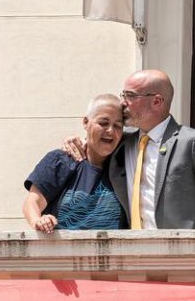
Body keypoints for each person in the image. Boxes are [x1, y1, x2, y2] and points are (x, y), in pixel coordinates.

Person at [64, 69, 195, 230]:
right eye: (123, 95)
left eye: (130, 95)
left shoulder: (191, 142)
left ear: (156, 101)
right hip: (132, 256)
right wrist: (79, 141)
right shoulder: (122, 142)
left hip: (182, 255)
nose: (122, 103)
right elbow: (96, 141)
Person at [23, 94, 126, 233]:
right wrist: (38, 220)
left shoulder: (126, 165)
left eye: (118, 126)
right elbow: (33, 201)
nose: (110, 131)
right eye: (103, 123)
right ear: (85, 122)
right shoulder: (62, 160)